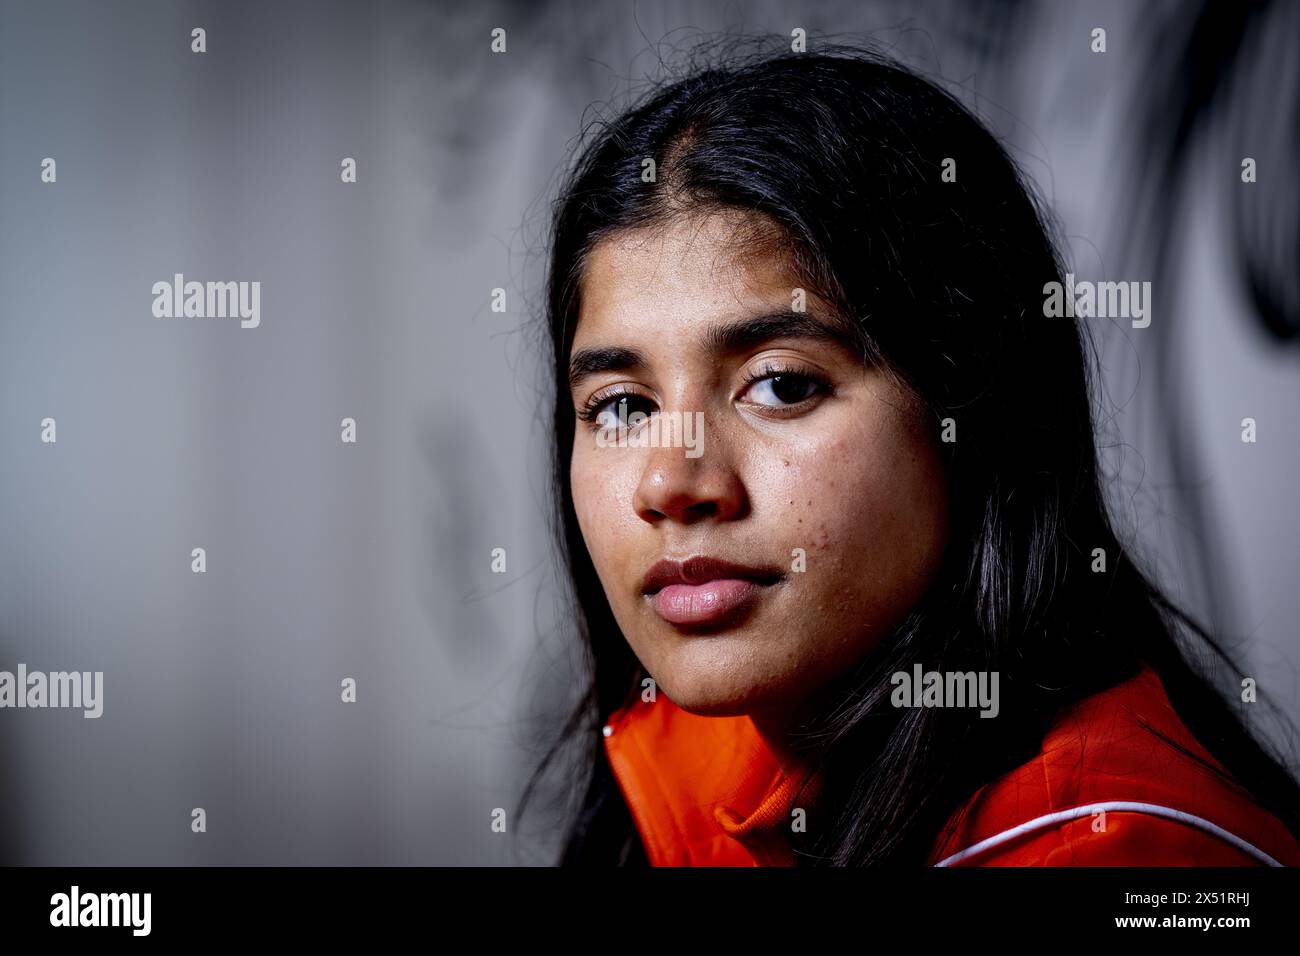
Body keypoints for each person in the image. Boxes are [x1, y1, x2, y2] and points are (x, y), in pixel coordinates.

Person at [521, 45, 1300, 866]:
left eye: (781, 385)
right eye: (621, 406)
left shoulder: (1120, 851)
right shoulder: (690, 766)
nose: (671, 484)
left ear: (971, 412)